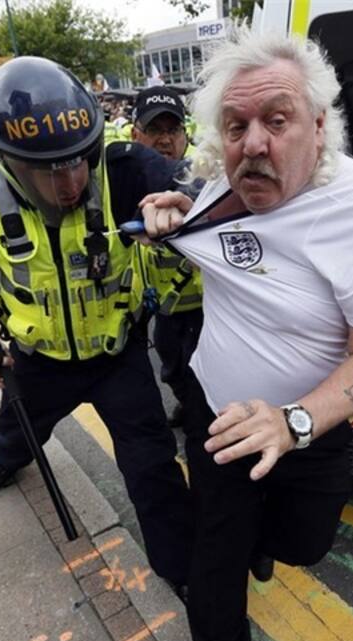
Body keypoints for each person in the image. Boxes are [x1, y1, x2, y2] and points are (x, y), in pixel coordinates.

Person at [133, 29, 353, 641]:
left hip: (309, 426)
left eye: (277, 120)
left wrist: (291, 424)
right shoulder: (219, 184)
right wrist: (171, 214)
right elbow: (207, 225)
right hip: (220, 419)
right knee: (217, 547)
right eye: (236, 126)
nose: (254, 142)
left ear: (318, 126)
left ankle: (265, 538)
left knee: (305, 545)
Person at [0, 56, 194, 593]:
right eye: (44, 170)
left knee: (154, 471)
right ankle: (8, 460)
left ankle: (182, 573)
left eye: (77, 161)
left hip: (119, 357)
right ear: (5, 158)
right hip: (36, 362)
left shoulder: (125, 167)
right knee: (18, 430)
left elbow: (199, 188)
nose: (68, 182)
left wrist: (186, 201)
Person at [128, 87, 204, 428]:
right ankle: (188, 403)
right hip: (160, 307)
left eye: (173, 130)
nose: (165, 139)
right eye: (155, 130)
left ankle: (199, 416)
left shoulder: (206, 174)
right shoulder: (122, 177)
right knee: (171, 368)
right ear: (135, 135)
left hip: (206, 306)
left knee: (204, 374)